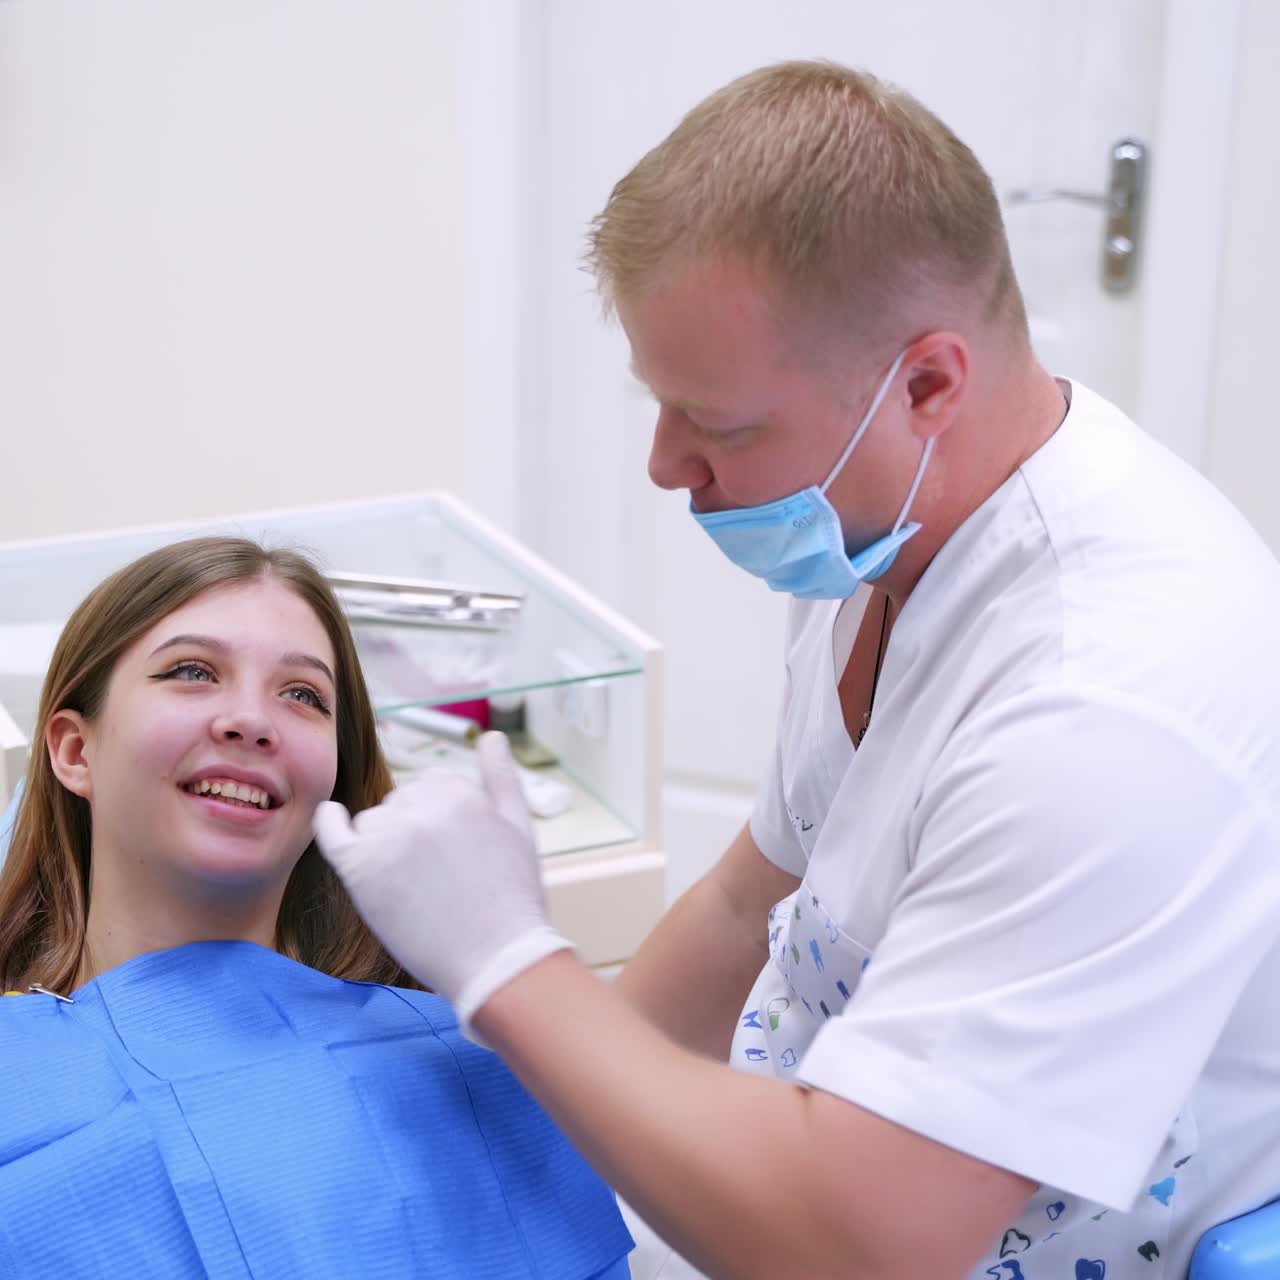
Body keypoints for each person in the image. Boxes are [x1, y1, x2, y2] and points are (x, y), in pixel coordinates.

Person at [313, 60, 1280, 1279]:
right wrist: (507, 1142)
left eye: (716, 426)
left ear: (926, 382)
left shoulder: (1106, 710)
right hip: (814, 1158)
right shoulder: (882, 537)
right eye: (658, 407)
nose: (667, 466)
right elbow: (740, 908)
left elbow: (867, 1244)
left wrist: (506, 963)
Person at [0, 536, 632, 1279]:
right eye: (192, 672)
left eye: (302, 694)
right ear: (74, 752)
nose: (251, 720)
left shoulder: (460, 1067)